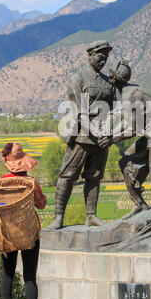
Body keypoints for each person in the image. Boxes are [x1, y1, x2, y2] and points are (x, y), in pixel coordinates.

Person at [98, 61, 151, 230]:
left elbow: (132, 129)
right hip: (148, 136)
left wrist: (111, 140)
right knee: (126, 164)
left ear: (115, 80)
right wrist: (110, 133)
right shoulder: (130, 90)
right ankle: (140, 204)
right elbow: (129, 121)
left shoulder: (130, 95)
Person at [46, 40, 116, 230]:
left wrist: (107, 133)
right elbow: (80, 112)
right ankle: (58, 217)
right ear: (91, 55)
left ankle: (91, 215)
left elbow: (113, 110)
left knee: (94, 176)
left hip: (102, 139)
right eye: (100, 57)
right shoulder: (79, 79)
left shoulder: (108, 82)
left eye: (106, 58)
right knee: (67, 176)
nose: (103, 61)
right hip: (82, 136)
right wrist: (96, 132)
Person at [0, 142, 47, 299]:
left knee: (7, 275)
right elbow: (41, 204)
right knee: (29, 276)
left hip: (8, 234)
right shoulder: (31, 182)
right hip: (29, 233)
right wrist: (40, 198)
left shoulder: (1, 183)